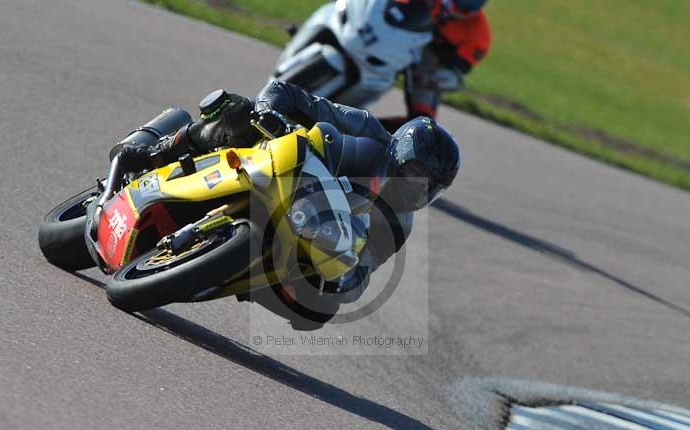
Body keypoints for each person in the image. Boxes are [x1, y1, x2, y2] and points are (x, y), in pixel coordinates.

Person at [120, 80, 460, 325]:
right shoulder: (366, 128)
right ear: (399, 152)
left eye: (430, 187)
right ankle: (161, 149)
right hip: (281, 163)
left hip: (309, 233)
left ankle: (233, 270)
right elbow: (291, 94)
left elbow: (364, 267)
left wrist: (347, 282)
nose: (418, 189)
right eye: (416, 172)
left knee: (320, 309)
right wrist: (269, 111)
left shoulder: (399, 223)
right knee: (241, 113)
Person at [391, 0, 491, 127]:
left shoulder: (479, 34)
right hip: (395, 41)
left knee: (422, 123)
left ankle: (385, 135)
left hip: (426, 67)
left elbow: (462, 64)